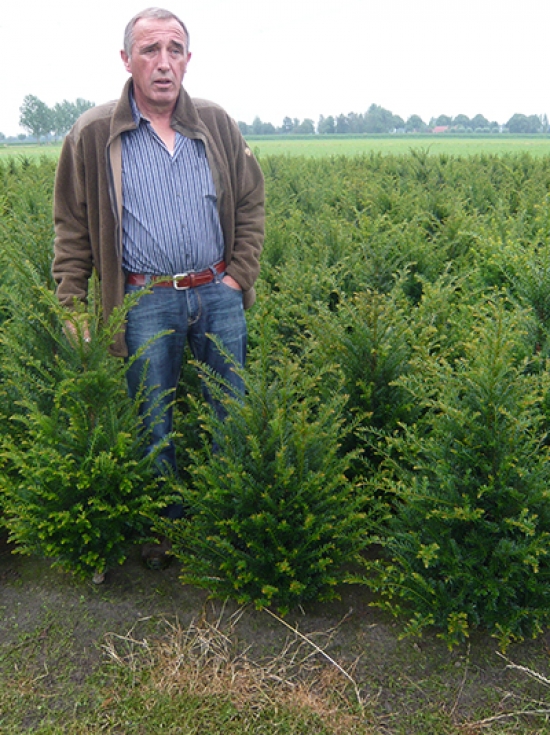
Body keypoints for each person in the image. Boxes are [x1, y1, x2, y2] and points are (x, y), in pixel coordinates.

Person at [52, 7, 265, 566]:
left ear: (188, 61)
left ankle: (229, 520)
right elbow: (72, 228)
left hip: (217, 291)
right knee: (153, 419)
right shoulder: (95, 133)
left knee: (231, 413)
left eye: (175, 50)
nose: (163, 63)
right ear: (127, 61)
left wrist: (238, 274)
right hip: (144, 300)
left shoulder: (216, 123)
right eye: (150, 50)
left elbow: (250, 200)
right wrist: (73, 306)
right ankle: (162, 531)